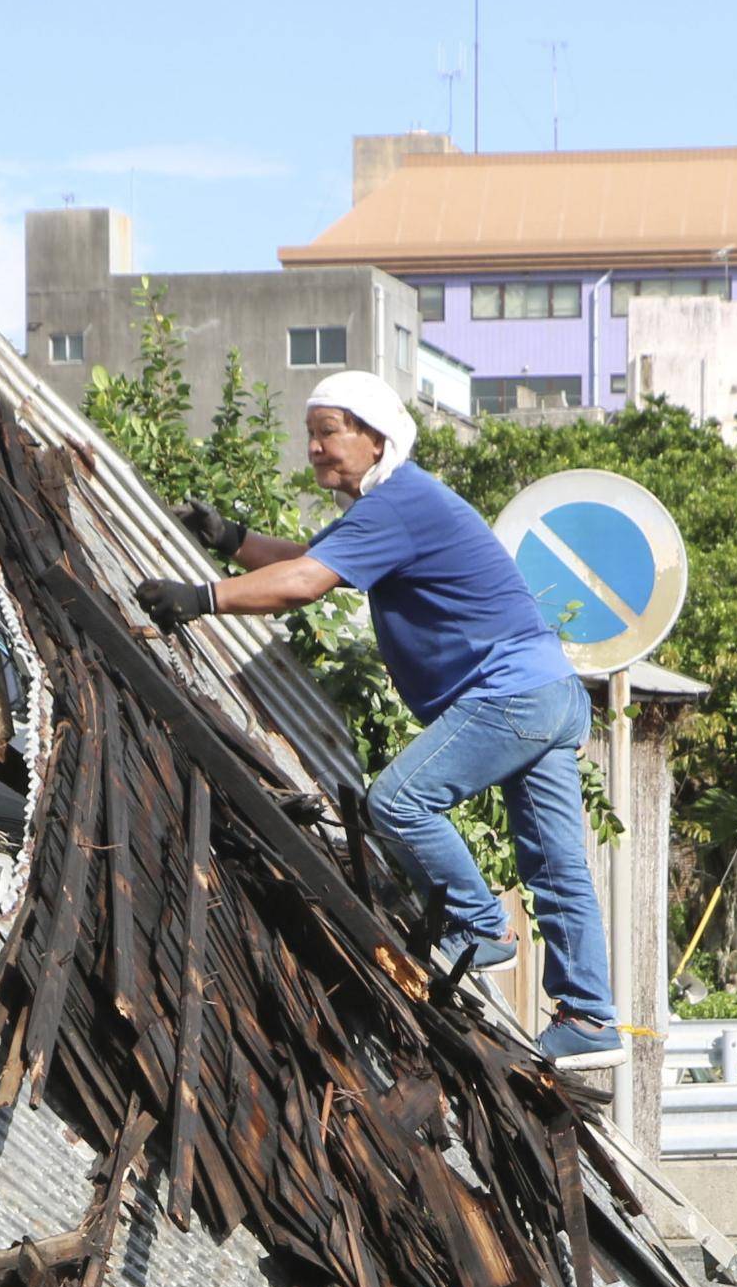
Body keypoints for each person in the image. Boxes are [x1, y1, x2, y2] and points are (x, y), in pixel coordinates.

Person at [131, 370, 617, 1063]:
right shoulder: (391, 508)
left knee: (397, 801)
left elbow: (303, 584)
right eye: (312, 435)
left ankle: (480, 925)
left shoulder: (399, 503)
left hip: (511, 694)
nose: (316, 449)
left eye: (329, 432)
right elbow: (308, 558)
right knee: (557, 862)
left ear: (375, 435)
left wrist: (203, 597)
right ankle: (591, 1017)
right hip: (549, 695)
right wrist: (232, 536)